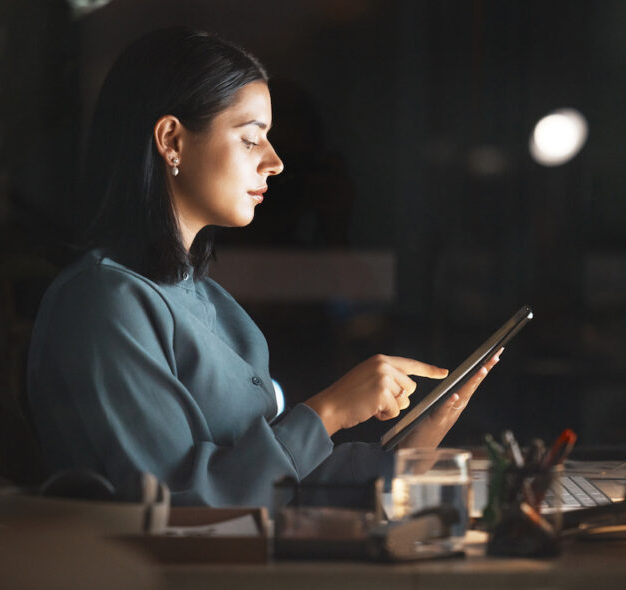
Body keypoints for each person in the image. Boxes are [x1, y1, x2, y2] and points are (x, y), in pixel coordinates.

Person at [26, 27, 499, 509]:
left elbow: (276, 480)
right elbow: (180, 507)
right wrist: (328, 410)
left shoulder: (207, 300)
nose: (274, 162)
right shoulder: (105, 303)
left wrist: (410, 449)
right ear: (172, 141)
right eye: (252, 139)